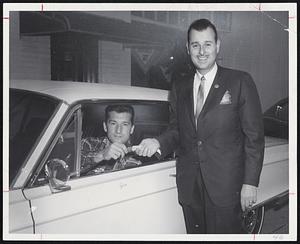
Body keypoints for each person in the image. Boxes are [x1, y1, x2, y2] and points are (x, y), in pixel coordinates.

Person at [135, 19, 265, 234]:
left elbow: (254, 138)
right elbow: (178, 129)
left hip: (226, 187)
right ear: (188, 48)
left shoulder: (239, 81)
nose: (202, 51)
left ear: (218, 45)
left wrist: (250, 183)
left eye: (207, 44)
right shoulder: (180, 85)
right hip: (190, 186)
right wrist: (157, 141)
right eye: (195, 45)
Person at [81, 104, 142, 175]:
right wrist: (101, 155)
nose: (118, 130)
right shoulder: (88, 144)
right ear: (105, 127)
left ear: (131, 129)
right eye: (113, 123)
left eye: (124, 124)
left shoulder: (136, 164)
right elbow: (70, 166)